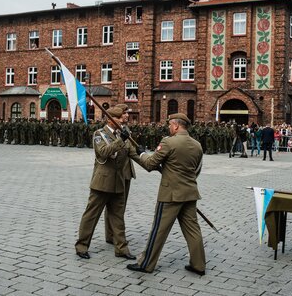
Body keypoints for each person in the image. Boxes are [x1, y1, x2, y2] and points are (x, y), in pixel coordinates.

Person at [127, 113, 206, 275]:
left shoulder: (169, 142)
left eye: (170, 124)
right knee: (193, 230)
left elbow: (150, 164)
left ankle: (146, 264)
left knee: (159, 229)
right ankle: (199, 265)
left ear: (176, 125)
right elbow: (197, 169)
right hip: (190, 192)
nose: (168, 127)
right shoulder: (197, 145)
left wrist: (140, 153)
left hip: (170, 194)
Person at [75, 107, 139, 260]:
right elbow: (104, 152)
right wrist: (121, 140)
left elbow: (133, 153)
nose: (123, 120)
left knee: (118, 217)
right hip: (102, 182)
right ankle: (81, 246)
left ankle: (121, 248)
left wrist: (152, 163)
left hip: (118, 181)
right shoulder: (99, 134)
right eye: (119, 118)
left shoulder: (123, 134)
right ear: (111, 119)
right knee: (92, 215)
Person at [105, 104, 136, 244]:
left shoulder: (126, 129)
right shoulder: (111, 131)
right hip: (117, 170)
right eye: (124, 113)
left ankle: (116, 234)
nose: (127, 116)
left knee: (121, 205)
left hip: (127, 170)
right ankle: (111, 235)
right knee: (113, 205)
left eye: (126, 113)